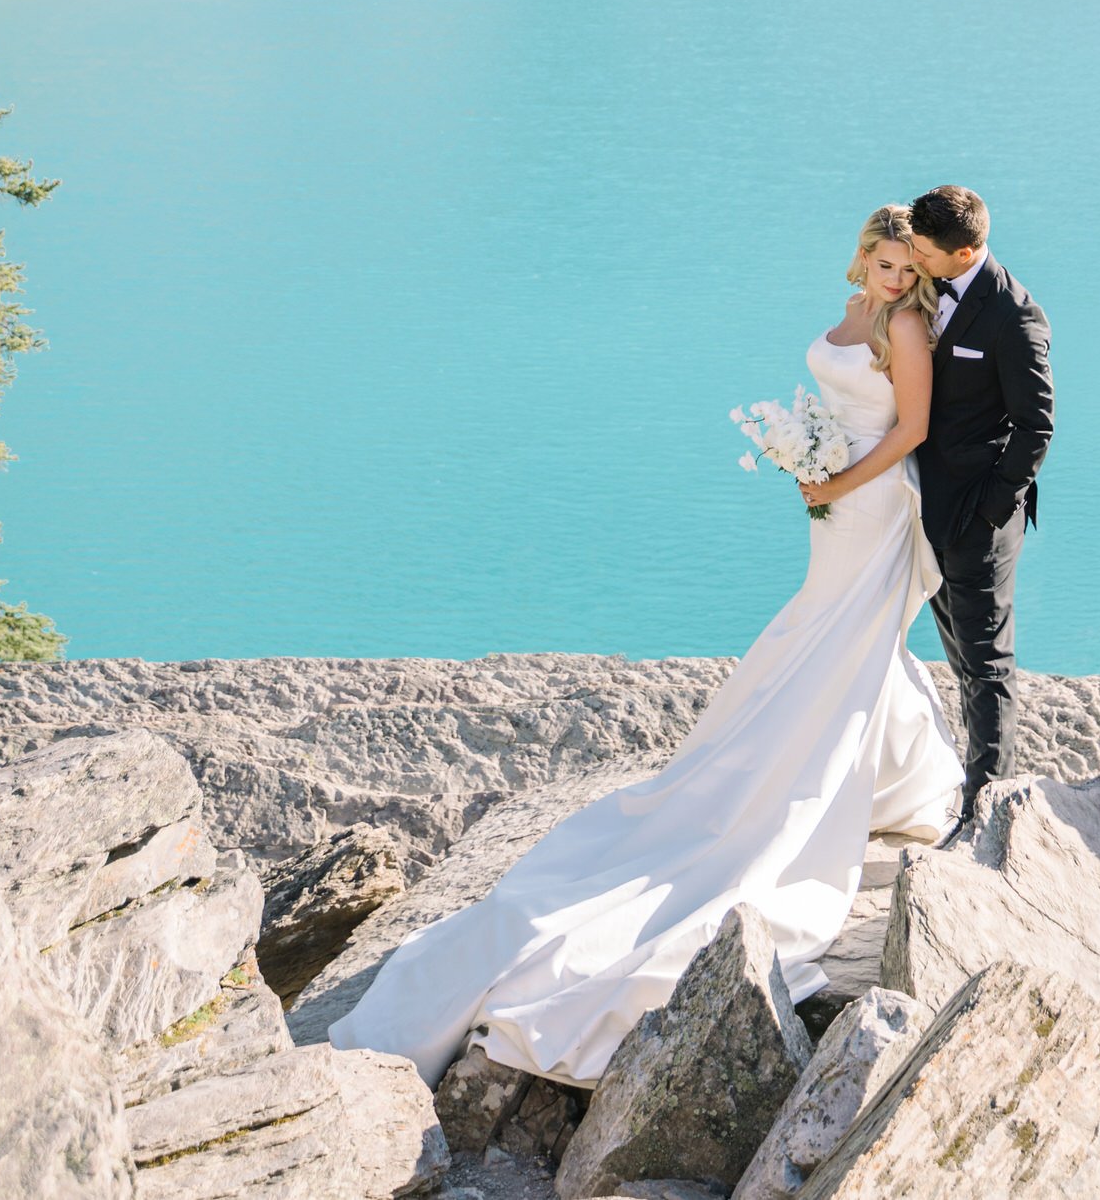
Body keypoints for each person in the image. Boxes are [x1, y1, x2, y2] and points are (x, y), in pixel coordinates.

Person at [326, 203, 963, 1087]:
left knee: (839, 638)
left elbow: (913, 431)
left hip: (874, 500)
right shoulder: (859, 312)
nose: (897, 280)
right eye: (885, 264)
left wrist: (831, 480)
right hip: (832, 506)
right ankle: (913, 778)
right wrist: (805, 468)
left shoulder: (906, 326)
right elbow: (834, 405)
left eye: (907, 269)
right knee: (837, 637)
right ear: (864, 257)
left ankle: (862, 779)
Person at [906, 184, 1054, 841]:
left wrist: (992, 513)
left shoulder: (1014, 317)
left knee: (987, 668)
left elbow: (1036, 427)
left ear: (963, 252)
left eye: (923, 248)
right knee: (962, 661)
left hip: (978, 520)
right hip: (925, 514)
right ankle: (976, 792)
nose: (913, 255)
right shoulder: (927, 286)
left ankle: (984, 813)